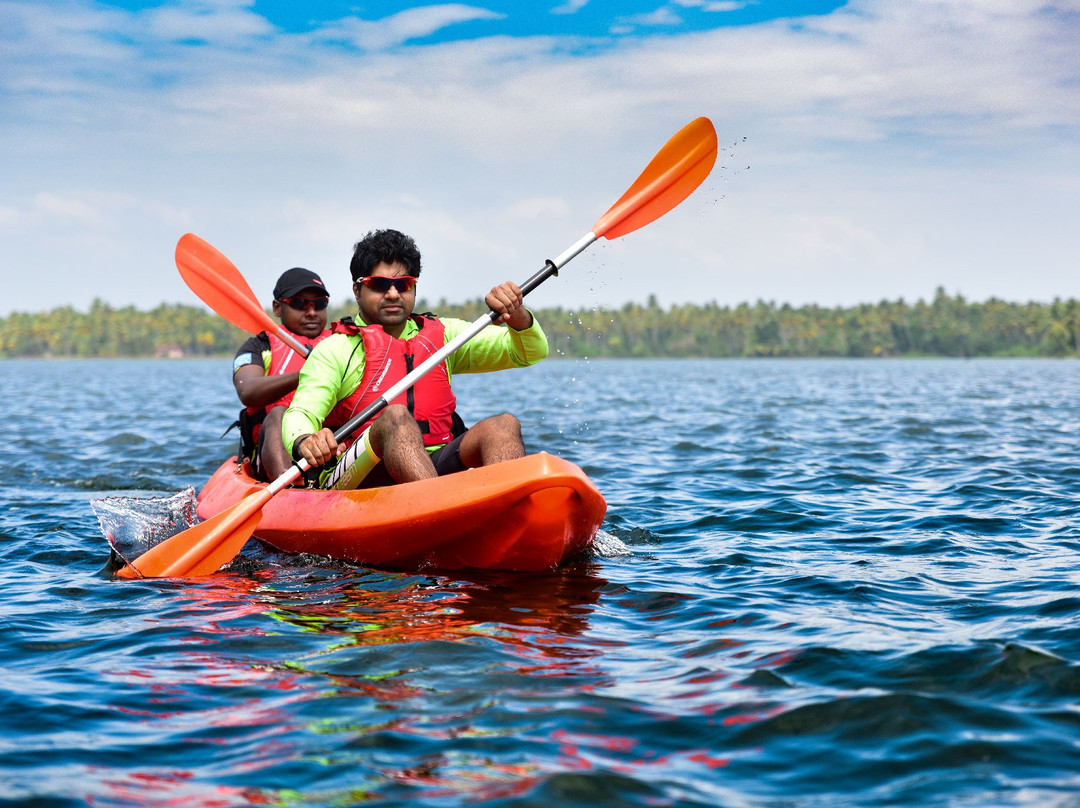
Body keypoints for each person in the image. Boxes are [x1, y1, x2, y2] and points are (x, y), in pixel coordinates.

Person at [281, 228, 547, 489]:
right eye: (379, 285)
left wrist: (517, 314)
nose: (394, 294)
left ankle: (510, 503)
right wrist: (306, 439)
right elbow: (301, 412)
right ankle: (440, 508)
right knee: (395, 416)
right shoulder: (336, 348)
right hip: (360, 473)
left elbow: (526, 352)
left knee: (502, 425)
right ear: (357, 290)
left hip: (431, 463)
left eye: (404, 284)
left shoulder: (444, 335)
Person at [232, 267, 332, 480]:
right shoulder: (259, 346)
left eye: (320, 304)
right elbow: (247, 391)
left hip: (329, 445)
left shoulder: (339, 342)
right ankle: (290, 487)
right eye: (300, 304)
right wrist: (307, 373)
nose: (312, 312)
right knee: (280, 413)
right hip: (271, 456)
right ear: (277, 307)